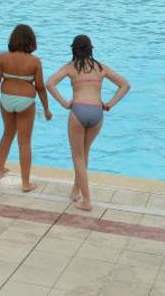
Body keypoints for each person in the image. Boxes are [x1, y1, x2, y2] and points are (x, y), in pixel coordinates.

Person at [46, 35, 130, 211]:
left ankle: (87, 200)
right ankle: (76, 190)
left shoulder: (70, 67)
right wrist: (109, 104)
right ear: (91, 49)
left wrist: (64, 103)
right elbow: (125, 85)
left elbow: (50, 83)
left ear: (73, 50)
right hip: (97, 113)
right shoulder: (101, 68)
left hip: (78, 111)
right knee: (84, 153)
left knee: (77, 156)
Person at [0, 24, 53, 192]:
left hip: (6, 99)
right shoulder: (35, 61)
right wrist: (46, 108)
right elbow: (40, 87)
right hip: (26, 101)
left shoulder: (2, 58)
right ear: (31, 41)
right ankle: (25, 183)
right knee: (24, 142)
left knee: (7, 133)